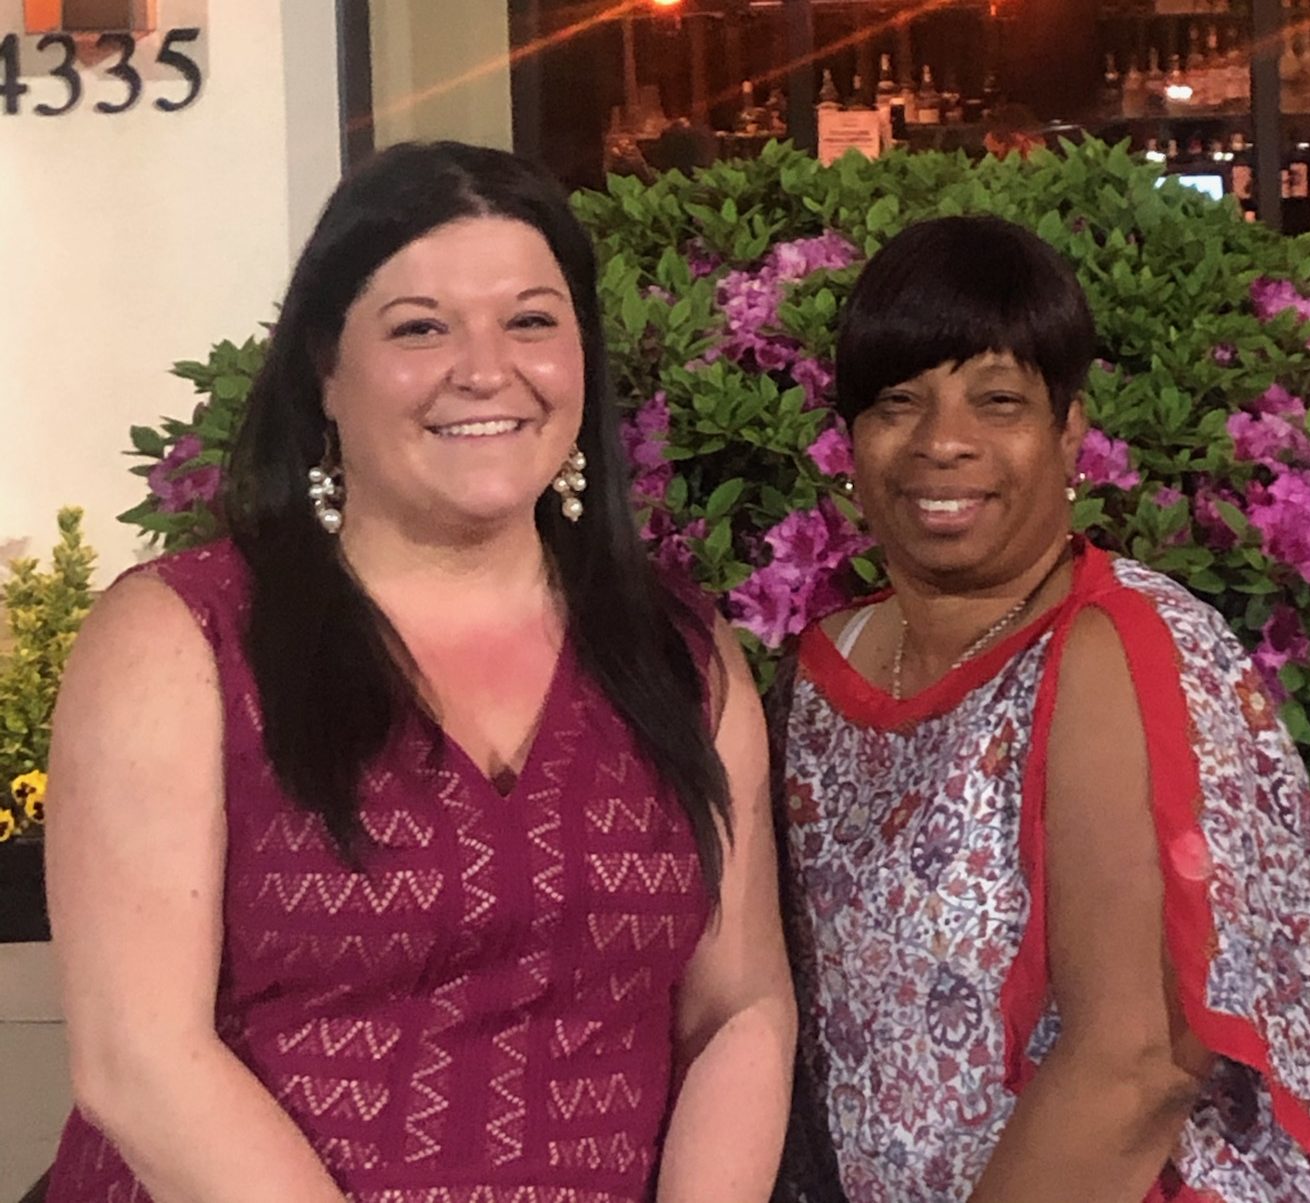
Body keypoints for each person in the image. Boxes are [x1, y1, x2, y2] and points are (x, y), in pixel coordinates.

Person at [45, 142, 795, 1203]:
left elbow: (740, 1009)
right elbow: (140, 1061)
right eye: (420, 328)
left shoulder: (679, 655)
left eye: (532, 320)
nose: (484, 369)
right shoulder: (184, 640)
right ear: (325, 368)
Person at [772, 215, 1310, 1203]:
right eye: (897, 403)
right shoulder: (825, 670)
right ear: (852, 438)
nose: (942, 442)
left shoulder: (1116, 647)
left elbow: (1137, 1068)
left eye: (998, 401)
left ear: (1070, 430)